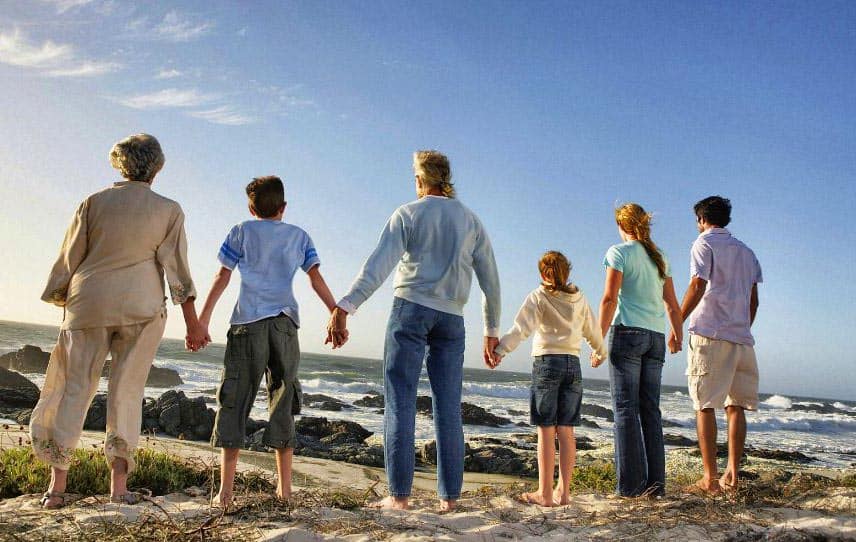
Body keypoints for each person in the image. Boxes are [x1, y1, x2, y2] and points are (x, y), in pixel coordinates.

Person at [31, 134, 208, 508]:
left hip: (88, 304)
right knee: (126, 392)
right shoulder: (169, 209)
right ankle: (118, 490)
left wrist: (61, 297)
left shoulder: (92, 202)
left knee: (73, 389)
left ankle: (56, 489)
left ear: (119, 163)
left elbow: (69, 259)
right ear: (157, 167)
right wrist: (193, 324)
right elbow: (178, 271)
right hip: (141, 309)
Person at [326, 150, 501, 512]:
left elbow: (379, 263)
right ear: (446, 179)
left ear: (421, 180)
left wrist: (347, 305)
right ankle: (450, 500)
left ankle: (399, 496)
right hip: (452, 319)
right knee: (449, 408)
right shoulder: (472, 221)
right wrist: (491, 329)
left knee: (401, 401)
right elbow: (491, 281)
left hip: (411, 310)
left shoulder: (408, 213)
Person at [199, 175, 338, 507]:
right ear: (283, 207)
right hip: (284, 326)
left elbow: (222, 275)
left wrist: (202, 320)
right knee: (283, 399)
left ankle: (225, 493)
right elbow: (315, 277)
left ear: (251, 206)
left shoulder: (241, 231)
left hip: (247, 323)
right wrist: (336, 312)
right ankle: (284, 491)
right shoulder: (299, 236)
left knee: (235, 399)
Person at [492, 251, 606, 507]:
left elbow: (520, 330)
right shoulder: (579, 298)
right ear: (568, 271)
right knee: (566, 429)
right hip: (573, 365)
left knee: (545, 429)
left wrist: (500, 350)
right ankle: (563, 493)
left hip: (547, 363)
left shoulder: (539, 296)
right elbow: (592, 331)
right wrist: (600, 352)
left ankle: (544, 493)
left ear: (544, 273)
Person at [674, 196, 762, 494]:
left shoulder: (703, 243)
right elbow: (753, 300)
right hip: (741, 337)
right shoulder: (747, 252)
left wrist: (677, 321)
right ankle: (732, 476)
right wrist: (741, 327)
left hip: (710, 332)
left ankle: (710, 479)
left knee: (704, 405)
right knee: (735, 406)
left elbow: (698, 284)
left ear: (701, 219)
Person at [596, 203, 683, 498]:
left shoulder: (618, 252)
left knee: (625, 410)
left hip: (628, 334)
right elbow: (672, 303)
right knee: (650, 411)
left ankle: (631, 489)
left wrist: (597, 340)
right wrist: (676, 335)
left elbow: (609, 299)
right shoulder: (660, 257)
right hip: (656, 337)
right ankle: (655, 487)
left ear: (622, 226)